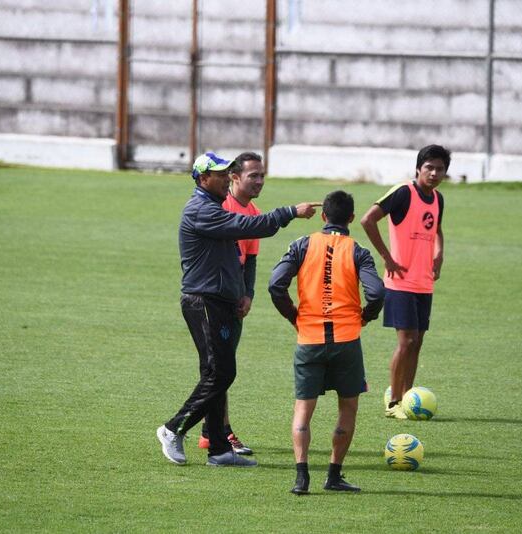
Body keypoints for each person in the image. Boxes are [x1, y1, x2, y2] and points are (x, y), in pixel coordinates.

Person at [157, 151, 318, 467]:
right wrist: (290, 212)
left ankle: (218, 449)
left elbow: (245, 253)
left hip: (220, 302)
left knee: (216, 373)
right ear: (204, 179)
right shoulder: (202, 210)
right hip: (204, 302)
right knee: (221, 372)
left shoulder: (213, 207)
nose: (225, 179)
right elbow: (251, 225)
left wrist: (245, 292)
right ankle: (173, 428)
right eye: (220, 175)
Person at [268, 190, 384, 494]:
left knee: (303, 409)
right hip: (347, 340)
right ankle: (333, 475)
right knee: (348, 408)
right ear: (351, 218)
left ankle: (301, 477)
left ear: (323, 216)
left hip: (309, 339)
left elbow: (275, 285)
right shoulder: (358, 251)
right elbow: (377, 293)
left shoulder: (302, 245)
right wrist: (365, 317)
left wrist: (294, 316)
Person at [359, 144, 450, 420]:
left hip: (424, 283)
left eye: (440, 169)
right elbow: (367, 220)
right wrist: (387, 257)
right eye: (429, 167)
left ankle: (408, 397)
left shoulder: (438, 199)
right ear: (418, 168)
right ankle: (393, 402)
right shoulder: (403, 192)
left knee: (417, 342)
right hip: (400, 283)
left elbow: (437, 230)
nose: (434, 173)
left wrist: (439, 254)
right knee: (406, 341)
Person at [198, 152, 266, 456]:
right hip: (215, 296)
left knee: (222, 366)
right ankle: (221, 432)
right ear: (234, 177)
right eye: (253, 175)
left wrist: (248, 294)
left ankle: (209, 432)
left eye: (262, 175)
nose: (259, 181)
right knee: (220, 368)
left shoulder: (253, 212)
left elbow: (250, 260)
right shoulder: (220, 206)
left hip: (234, 297)